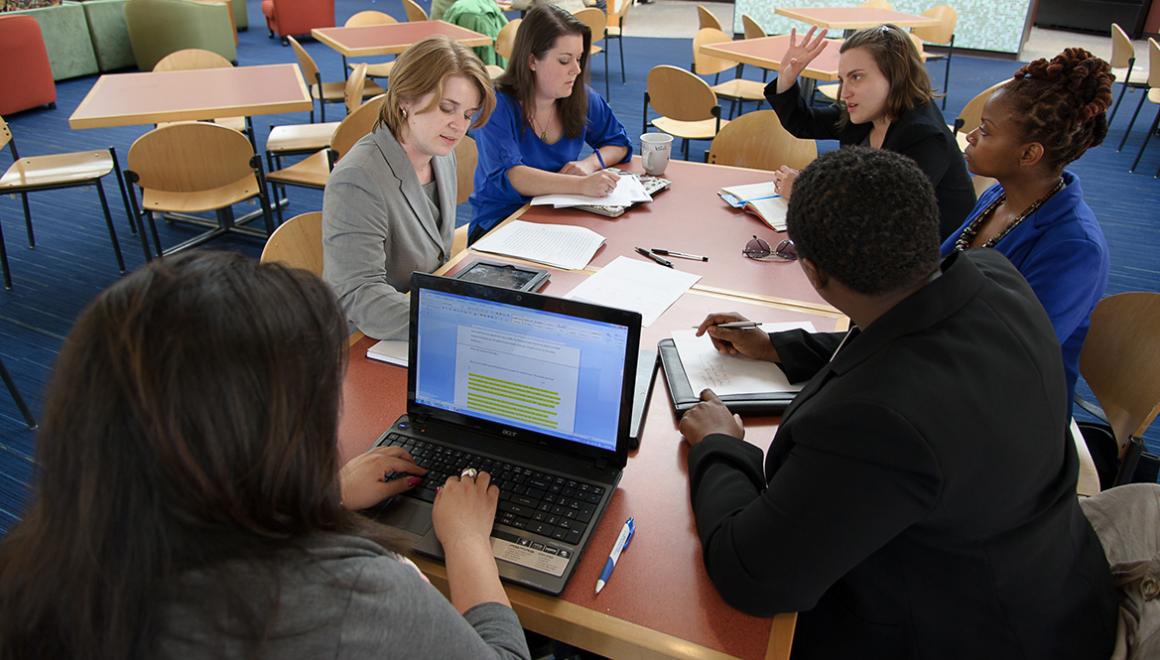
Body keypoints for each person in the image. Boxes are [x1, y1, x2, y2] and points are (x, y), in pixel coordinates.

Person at [679, 148, 1116, 658]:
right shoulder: (996, 280)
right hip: (1055, 582)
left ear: (814, 271)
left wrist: (721, 446)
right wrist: (780, 345)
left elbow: (751, 576)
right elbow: (900, 337)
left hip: (975, 634)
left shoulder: (875, 423)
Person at [0, 251, 530, 660]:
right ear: (278, 434)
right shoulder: (350, 600)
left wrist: (325, 495)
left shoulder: (33, 574)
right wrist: (465, 542)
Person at [943, 48, 1112, 415]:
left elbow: (1014, 359)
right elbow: (938, 270)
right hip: (950, 363)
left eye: (985, 131)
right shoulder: (997, 195)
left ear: (1029, 154)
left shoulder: (1075, 248)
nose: (970, 136)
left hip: (1010, 408)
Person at [323, 36, 496, 340]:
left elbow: (435, 254)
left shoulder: (440, 153)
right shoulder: (358, 178)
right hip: (367, 340)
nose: (459, 126)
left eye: (468, 114)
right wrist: (455, 322)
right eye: (447, 108)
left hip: (420, 313)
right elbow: (359, 294)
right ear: (405, 99)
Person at [766, 24, 975, 240]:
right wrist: (787, 77)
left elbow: (881, 216)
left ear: (895, 76)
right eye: (842, 79)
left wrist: (805, 191)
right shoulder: (870, 111)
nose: (844, 92)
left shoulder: (923, 136)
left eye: (856, 77)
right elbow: (803, 122)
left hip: (930, 256)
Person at [469, 3, 632, 243]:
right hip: (501, 224)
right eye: (564, 60)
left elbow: (619, 144)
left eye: (579, 58)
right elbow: (514, 176)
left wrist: (589, 164)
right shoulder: (497, 105)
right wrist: (581, 185)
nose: (576, 70)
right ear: (532, 60)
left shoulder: (580, 96)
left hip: (558, 216)